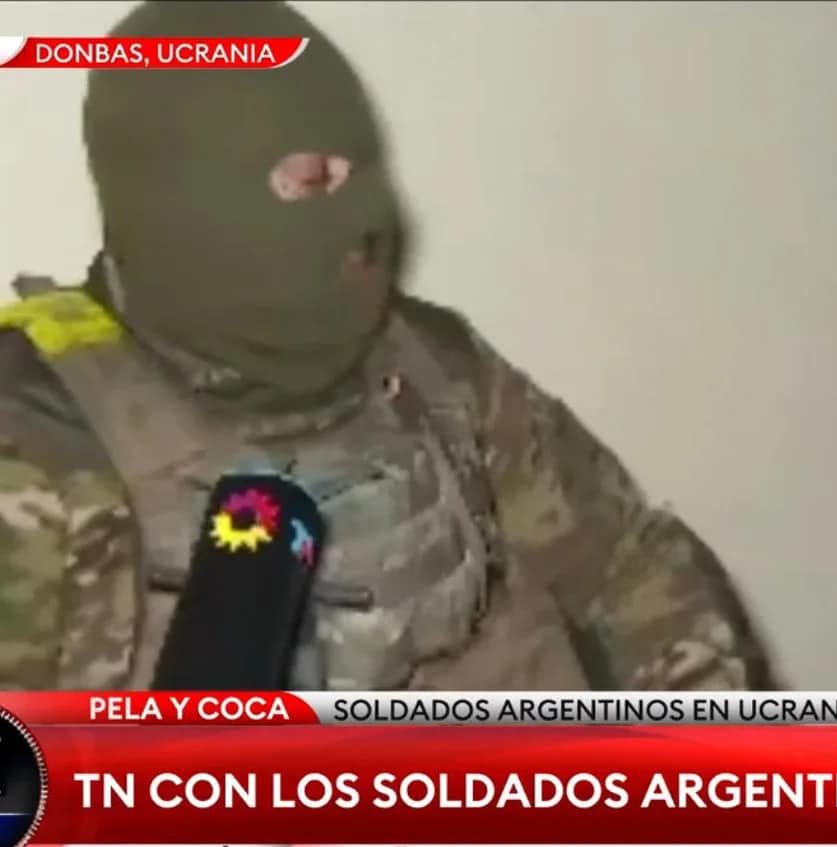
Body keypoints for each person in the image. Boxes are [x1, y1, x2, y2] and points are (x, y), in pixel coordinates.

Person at [0, 0, 775, 692]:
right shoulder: (34, 442)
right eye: (311, 179)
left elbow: (628, 567)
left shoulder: (435, 366)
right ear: (182, 199)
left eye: (360, 167)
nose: (365, 214)